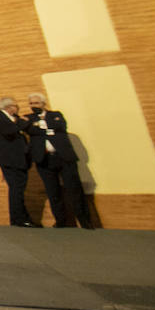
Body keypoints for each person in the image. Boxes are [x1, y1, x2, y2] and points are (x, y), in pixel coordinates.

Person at [25, 93, 93, 228]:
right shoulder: (28, 118)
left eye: (36, 103)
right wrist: (48, 128)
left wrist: (41, 126)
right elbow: (30, 129)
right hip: (44, 159)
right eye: (31, 104)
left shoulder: (56, 114)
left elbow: (61, 126)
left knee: (74, 188)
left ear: (43, 103)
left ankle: (85, 220)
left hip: (64, 157)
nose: (34, 106)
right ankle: (61, 221)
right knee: (52, 191)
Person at [0, 97, 38, 227]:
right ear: (9, 107)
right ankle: (20, 218)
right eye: (16, 107)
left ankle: (19, 218)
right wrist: (24, 122)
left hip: (16, 159)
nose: (18, 109)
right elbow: (10, 131)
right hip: (10, 159)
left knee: (17, 189)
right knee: (17, 189)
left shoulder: (11, 119)